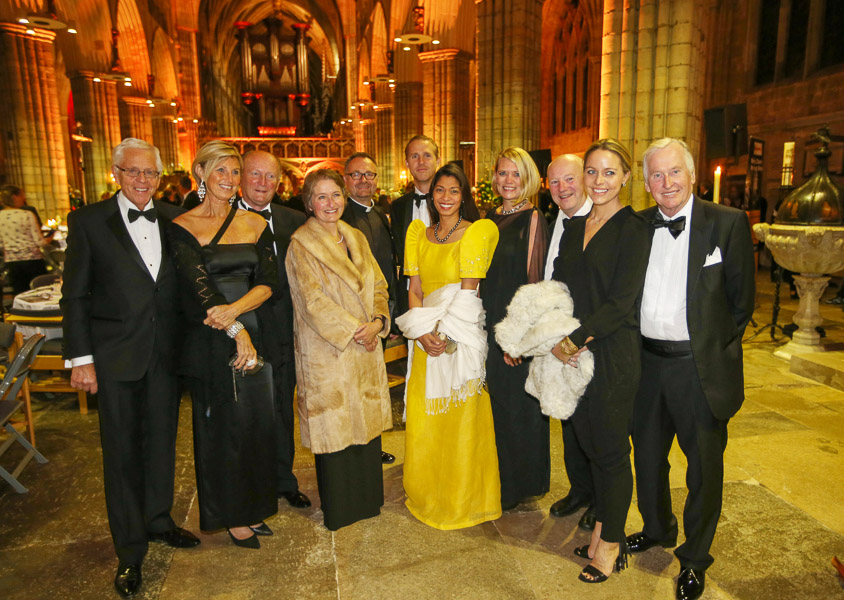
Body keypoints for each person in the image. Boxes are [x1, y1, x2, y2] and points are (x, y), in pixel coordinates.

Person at [61, 138, 199, 598]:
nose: (143, 181)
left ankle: (159, 521)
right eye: (134, 172)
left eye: (151, 174)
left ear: (160, 178)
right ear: (116, 174)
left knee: (161, 445)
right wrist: (81, 359)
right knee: (122, 457)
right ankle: (130, 551)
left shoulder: (173, 218)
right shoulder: (87, 222)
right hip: (115, 358)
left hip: (165, 358)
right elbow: (75, 296)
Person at [626, 138, 755, 600]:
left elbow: (742, 304)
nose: (666, 183)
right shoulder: (637, 226)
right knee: (648, 458)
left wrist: (709, 351)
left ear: (692, 175)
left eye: (674, 172)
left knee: (703, 468)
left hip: (697, 369)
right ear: (645, 183)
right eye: (657, 175)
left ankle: (695, 558)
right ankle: (658, 527)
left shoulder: (728, 223)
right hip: (646, 366)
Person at [168, 140, 279, 550]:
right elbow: (200, 291)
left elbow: (270, 282)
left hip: (251, 331)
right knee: (222, 430)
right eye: (221, 171)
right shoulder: (182, 227)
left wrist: (239, 316)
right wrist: (236, 330)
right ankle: (230, 516)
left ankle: (254, 507)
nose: (230, 181)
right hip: (212, 340)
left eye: (235, 172)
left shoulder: (254, 224)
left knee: (256, 428)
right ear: (200, 172)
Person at [550, 138, 651, 583]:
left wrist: (573, 340)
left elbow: (622, 303)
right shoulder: (574, 228)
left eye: (610, 172)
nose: (599, 181)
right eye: (592, 171)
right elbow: (557, 287)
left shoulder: (635, 229)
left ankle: (610, 545)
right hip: (573, 354)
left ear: (626, 178)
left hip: (610, 354)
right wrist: (551, 335)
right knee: (588, 445)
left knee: (610, 453)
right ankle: (601, 532)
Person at [286, 168, 393, 531]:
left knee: (364, 430)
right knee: (336, 431)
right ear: (309, 203)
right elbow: (311, 301)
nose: (330, 203)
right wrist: (354, 330)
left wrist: (378, 321)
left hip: (364, 347)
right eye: (321, 196)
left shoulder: (356, 236)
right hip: (329, 353)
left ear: (344, 199)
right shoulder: (301, 244)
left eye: (335, 195)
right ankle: (341, 507)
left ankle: (367, 501)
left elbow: (379, 282)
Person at [396, 163, 501, 529]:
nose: (445, 198)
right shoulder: (417, 234)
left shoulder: (474, 233)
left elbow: (468, 294)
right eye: (439, 190)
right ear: (431, 194)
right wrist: (422, 334)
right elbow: (415, 291)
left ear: (464, 196)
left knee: (460, 419)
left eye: (454, 191)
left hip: (458, 338)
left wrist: (443, 335)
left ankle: (460, 498)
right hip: (426, 338)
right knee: (428, 419)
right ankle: (427, 491)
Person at [238, 150, 310, 509]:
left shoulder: (295, 220)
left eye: (270, 177)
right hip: (241, 331)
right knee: (248, 412)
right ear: (240, 176)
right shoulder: (223, 217)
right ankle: (254, 485)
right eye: (255, 175)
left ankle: (285, 478)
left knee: (283, 406)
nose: (263, 183)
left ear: (280, 181)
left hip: (286, 329)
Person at [481, 147, 551, 511]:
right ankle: (498, 478)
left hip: (514, 329)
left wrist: (519, 340)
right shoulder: (489, 217)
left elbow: (534, 285)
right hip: (489, 323)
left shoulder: (533, 218)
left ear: (528, 180)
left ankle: (519, 484)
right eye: (502, 173)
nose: (508, 181)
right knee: (496, 407)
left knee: (516, 408)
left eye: (515, 174)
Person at [542, 155, 596, 531]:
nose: (562, 188)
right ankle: (580, 489)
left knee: (597, 427)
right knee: (570, 421)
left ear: (586, 180)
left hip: (591, 339)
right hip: (557, 339)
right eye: (555, 182)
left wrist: (583, 338)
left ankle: (601, 498)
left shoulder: (602, 221)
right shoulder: (551, 222)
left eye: (569, 179)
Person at [341, 152, 396, 464]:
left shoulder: (379, 214)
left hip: (380, 313)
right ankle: (356, 450)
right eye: (356, 175)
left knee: (375, 384)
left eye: (369, 175)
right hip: (356, 319)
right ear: (346, 180)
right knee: (354, 385)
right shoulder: (340, 218)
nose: (364, 181)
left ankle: (371, 446)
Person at [391, 135, 441, 317]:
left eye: (427, 155)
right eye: (414, 156)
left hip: (447, 295)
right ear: (406, 163)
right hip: (409, 298)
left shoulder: (456, 202)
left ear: (438, 160)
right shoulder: (398, 207)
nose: (421, 161)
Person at [0, 185, 54, 293]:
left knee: (20, 293)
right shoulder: (27, 215)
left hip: (12, 262)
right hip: (32, 260)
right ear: (14, 197)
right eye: (22, 195)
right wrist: (50, 238)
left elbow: (1, 244)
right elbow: (40, 242)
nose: (24, 198)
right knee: (40, 292)